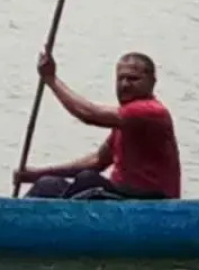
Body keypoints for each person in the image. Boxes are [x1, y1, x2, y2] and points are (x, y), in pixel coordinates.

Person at [12, 50, 181, 200]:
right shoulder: (124, 121)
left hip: (152, 201)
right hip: (122, 196)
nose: (124, 85)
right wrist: (34, 174)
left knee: (88, 180)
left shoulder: (151, 111)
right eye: (120, 78)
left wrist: (51, 80)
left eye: (133, 79)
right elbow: (97, 161)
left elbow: (88, 114)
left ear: (152, 82)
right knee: (48, 184)